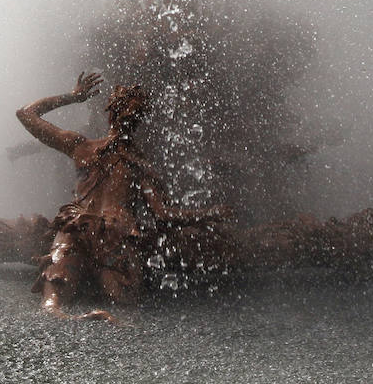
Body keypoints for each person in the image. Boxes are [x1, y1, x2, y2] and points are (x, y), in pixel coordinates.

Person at [16, 72, 229, 320]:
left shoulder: (107, 155)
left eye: (132, 111)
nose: (128, 115)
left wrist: (207, 214)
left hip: (109, 237)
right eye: (125, 109)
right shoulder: (87, 148)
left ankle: (94, 317)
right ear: (113, 113)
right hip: (87, 232)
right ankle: (94, 316)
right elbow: (25, 115)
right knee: (59, 304)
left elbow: (160, 214)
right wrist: (73, 96)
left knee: (116, 308)